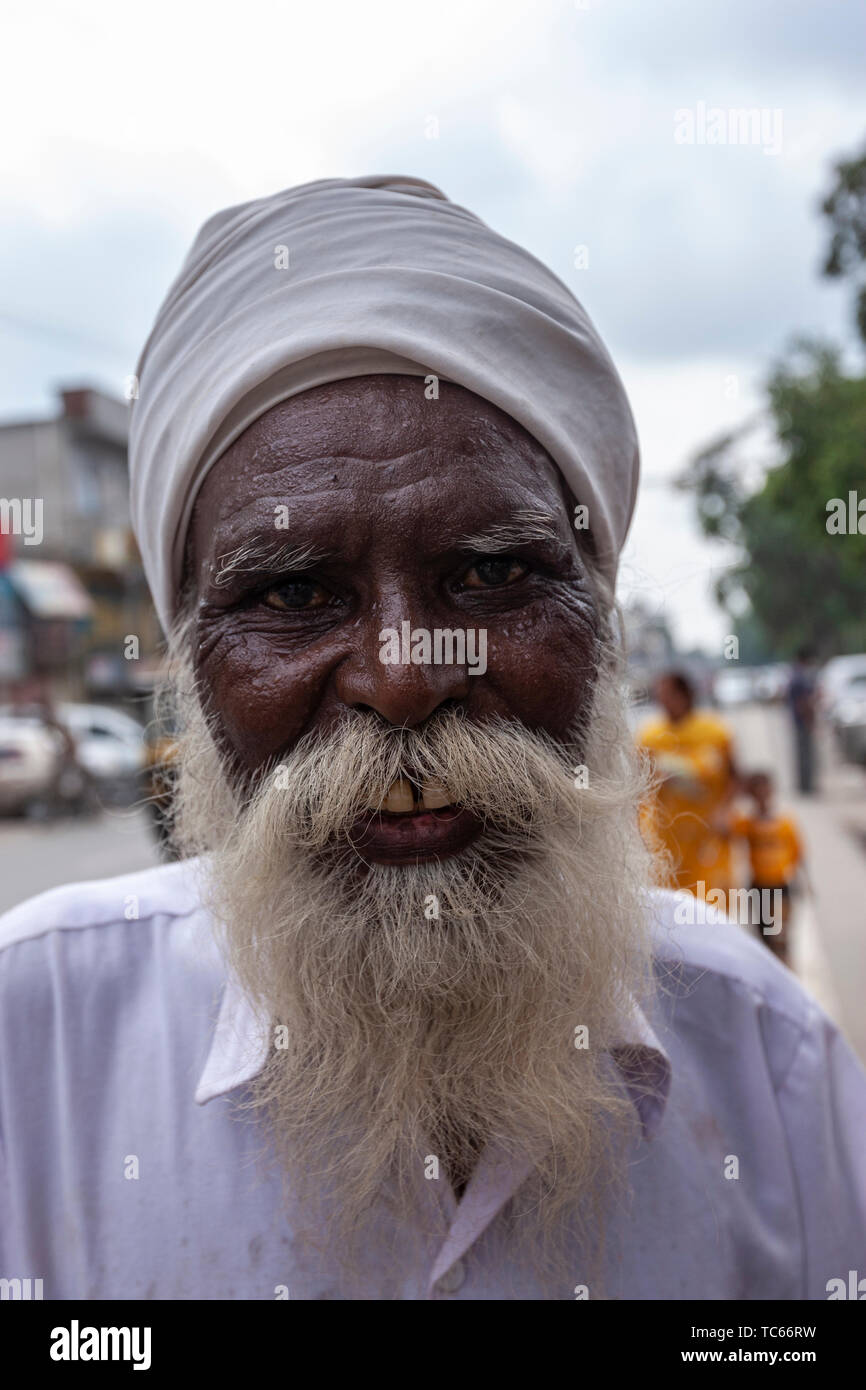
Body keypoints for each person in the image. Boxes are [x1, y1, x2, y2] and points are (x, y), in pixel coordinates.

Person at [0, 177, 864, 1301]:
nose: (404, 680)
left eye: (492, 573)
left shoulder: (768, 1060)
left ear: (600, 621)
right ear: (193, 659)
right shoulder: (36, 1052)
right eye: (295, 592)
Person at [637, 670, 738, 902]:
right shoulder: (649, 736)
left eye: (667, 695)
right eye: (659, 696)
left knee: (709, 905)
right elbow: (638, 783)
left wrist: (725, 811)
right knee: (668, 905)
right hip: (665, 835)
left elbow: (734, 777)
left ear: (685, 695)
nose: (662, 701)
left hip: (707, 834)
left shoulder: (715, 731)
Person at [732, 771, 803, 967]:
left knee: (780, 936)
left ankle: (787, 973)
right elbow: (726, 831)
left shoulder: (785, 822)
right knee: (764, 938)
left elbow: (798, 852)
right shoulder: (747, 823)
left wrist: (803, 881)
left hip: (780, 884)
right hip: (759, 886)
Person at [787, 647, 819, 794]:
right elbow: (803, 702)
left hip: (799, 720)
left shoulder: (794, 675)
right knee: (806, 754)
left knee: (802, 753)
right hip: (803, 720)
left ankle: (804, 784)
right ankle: (806, 785)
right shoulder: (800, 677)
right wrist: (809, 720)